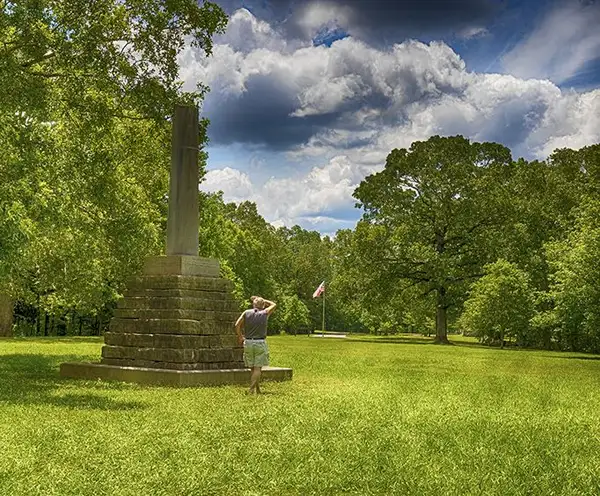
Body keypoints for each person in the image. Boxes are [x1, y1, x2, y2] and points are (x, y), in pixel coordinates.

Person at [235, 295, 277, 394]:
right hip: (260, 342)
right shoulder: (265, 313)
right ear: (263, 306)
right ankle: (251, 390)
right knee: (258, 368)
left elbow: (237, 325)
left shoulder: (246, 313)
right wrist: (262, 299)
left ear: (253, 305)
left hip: (248, 342)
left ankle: (257, 389)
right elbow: (273, 304)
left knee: (253, 368)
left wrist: (240, 336)